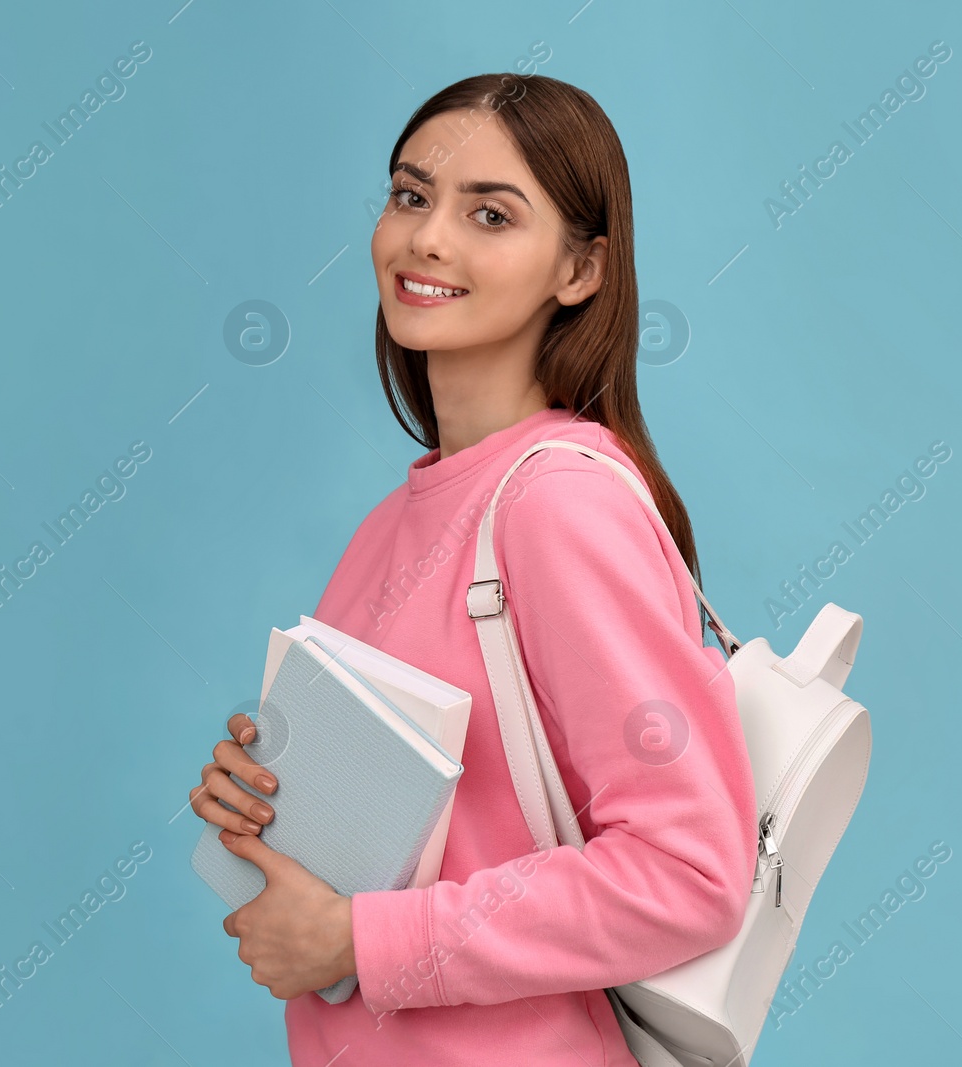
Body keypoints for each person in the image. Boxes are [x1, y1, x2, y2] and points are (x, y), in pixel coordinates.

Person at [189, 71, 757, 1066]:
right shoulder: (390, 522)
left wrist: (363, 940)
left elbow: (688, 869)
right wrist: (264, 802)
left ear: (579, 270)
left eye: (488, 213)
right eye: (411, 196)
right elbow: (438, 828)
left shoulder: (557, 509)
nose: (428, 239)